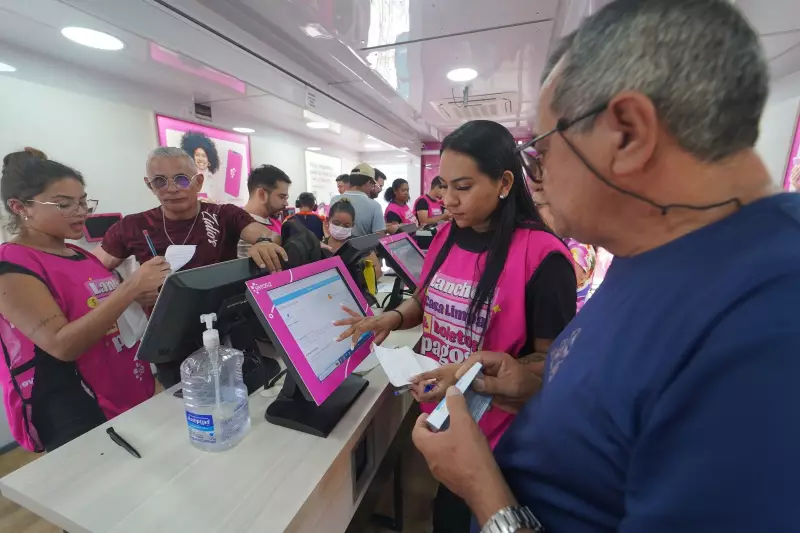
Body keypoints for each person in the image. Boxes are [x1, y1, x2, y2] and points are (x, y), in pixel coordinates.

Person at [411, 2, 800, 532]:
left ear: (627, 134)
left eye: (542, 152)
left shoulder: (770, 326)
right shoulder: (654, 251)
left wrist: (484, 491)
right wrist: (530, 383)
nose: (538, 178)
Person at [335, 120, 577, 533]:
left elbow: (551, 363)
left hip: (499, 443)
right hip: (444, 418)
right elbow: (425, 298)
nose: (448, 200)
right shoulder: (447, 235)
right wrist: (392, 318)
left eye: (462, 187)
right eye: (443, 186)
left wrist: (472, 376)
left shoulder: (542, 257)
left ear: (504, 182)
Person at [0, 153, 169, 452]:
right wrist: (128, 289)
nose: (80, 212)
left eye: (83, 202)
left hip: (125, 389)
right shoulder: (12, 265)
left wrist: (138, 298)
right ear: (19, 207)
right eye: (64, 204)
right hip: (77, 408)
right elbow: (62, 345)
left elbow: (102, 311)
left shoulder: (83, 256)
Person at [94, 147, 287, 386]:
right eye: (160, 181)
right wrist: (129, 290)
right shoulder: (132, 227)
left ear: (198, 182)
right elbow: (90, 272)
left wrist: (264, 242)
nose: (172, 188)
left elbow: (264, 234)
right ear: (149, 185)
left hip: (228, 329)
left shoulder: (222, 214)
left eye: (181, 179)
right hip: (171, 340)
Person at [323, 198, 382, 283]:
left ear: (352, 225)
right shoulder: (321, 248)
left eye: (346, 225)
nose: (340, 228)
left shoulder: (360, 244)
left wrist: (356, 284)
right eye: (336, 223)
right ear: (328, 220)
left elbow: (377, 270)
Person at [329, 164, 385, 236]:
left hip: (335, 246)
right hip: (362, 247)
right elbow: (380, 237)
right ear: (368, 182)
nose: (372, 188)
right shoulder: (375, 206)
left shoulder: (334, 200)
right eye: (372, 185)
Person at [242, 164, 291, 236]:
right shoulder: (239, 228)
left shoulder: (275, 222)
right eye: (281, 197)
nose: (286, 203)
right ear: (262, 195)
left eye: (286, 198)